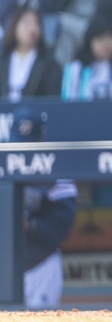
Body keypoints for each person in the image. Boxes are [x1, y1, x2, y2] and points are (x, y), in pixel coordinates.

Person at [11, 107, 78, 309]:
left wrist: (29, 226)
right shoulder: (4, 163)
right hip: (6, 267)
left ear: (41, 139)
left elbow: (61, 227)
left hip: (41, 265)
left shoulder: (57, 170)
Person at [0, 8, 62, 101]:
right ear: (14, 26)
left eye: (36, 23)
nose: (32, 28)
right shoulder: (3, 61)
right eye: (27, 23)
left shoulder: (49, 65)